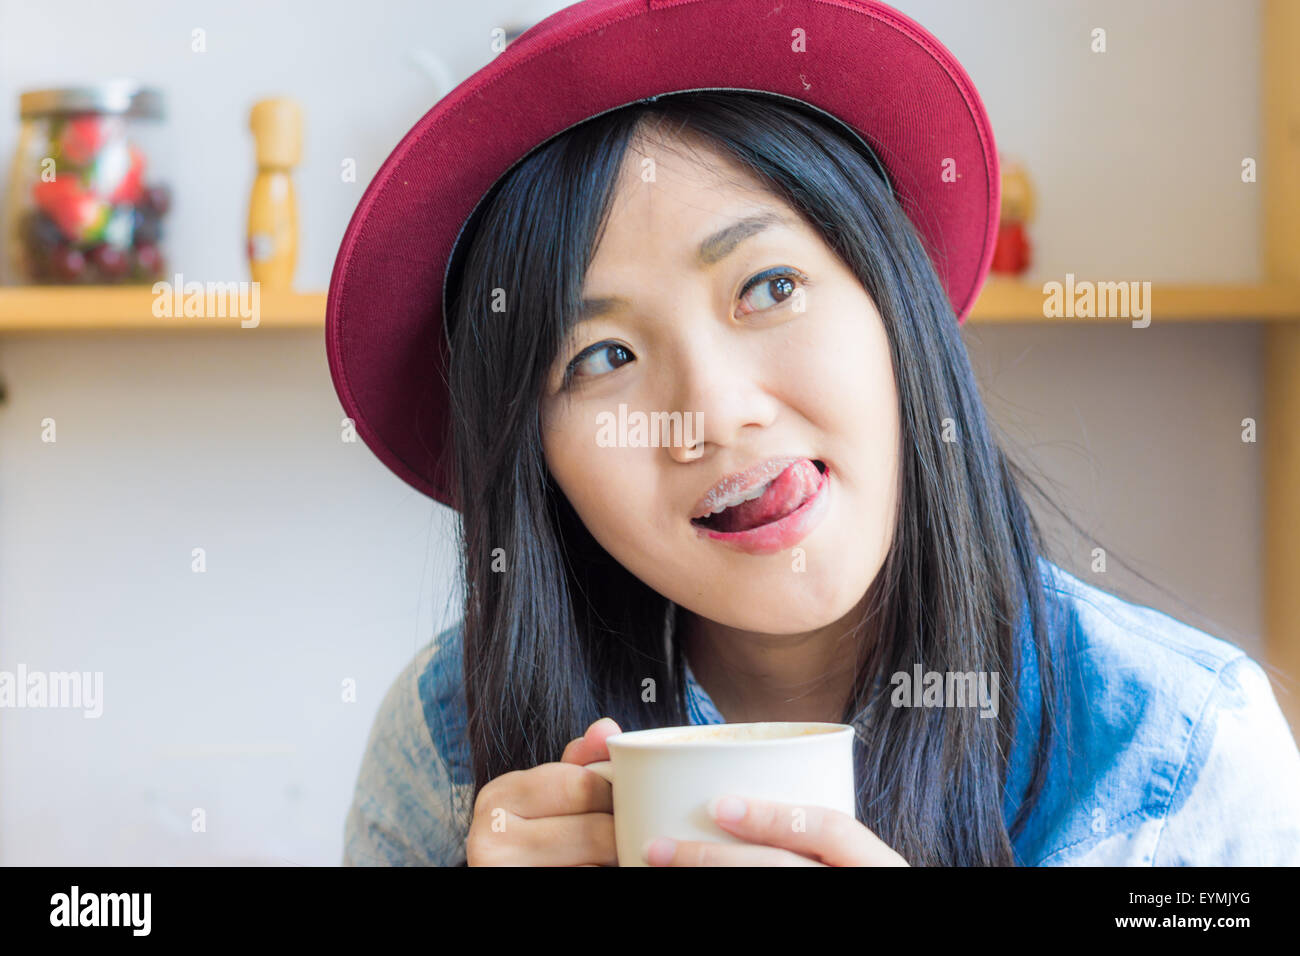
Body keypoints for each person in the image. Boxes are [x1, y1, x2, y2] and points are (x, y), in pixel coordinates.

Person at [328, 2, 1300, 867]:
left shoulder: (1182, 755)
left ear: (892, 298)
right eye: (600, 356)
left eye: (769, 287)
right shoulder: (445, 746)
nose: (712, 412)